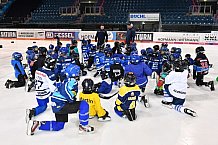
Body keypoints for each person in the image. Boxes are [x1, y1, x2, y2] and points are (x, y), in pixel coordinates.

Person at [26, 64, 94, 135]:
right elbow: (66, 92)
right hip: (61, 105)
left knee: (59, 125)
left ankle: (37, 124)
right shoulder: (72, 81)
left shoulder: (67, 79)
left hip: (56, 104)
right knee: (84, 104)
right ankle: (83, 126)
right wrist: (72, 100)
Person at [25, 57, 57, 123]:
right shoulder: (50, 74)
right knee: (43, 106)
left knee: (44, 102)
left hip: (38, 92)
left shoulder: (38, 70)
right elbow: (53, 88)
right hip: (44, 93)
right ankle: (33, 111)